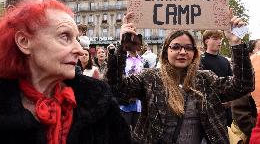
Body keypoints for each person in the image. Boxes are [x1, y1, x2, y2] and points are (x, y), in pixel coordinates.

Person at [0, 0, 131, 143]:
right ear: (24, 42)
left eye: (77, 39)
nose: (79, 49)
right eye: (65, 36)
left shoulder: (99, 100)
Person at [106, 12, 254, 144]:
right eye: (176, 47)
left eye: (188, 48)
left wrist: (236, 42)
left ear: (194, 53)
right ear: (165, 52)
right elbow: (115, 87)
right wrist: (122, 46)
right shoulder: (150, 78)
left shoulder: (206, 79)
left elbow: (243, 85)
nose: (182, 52)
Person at [200, 30, 233, 126]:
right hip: (209, 110)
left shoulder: (225, 60)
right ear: (206, 41)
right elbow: (202, 86)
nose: (219, 41)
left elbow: (231, 82)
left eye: (220, 39)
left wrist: (230, 100)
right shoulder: (200, 60)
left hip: (227, 110)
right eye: (215, 39)